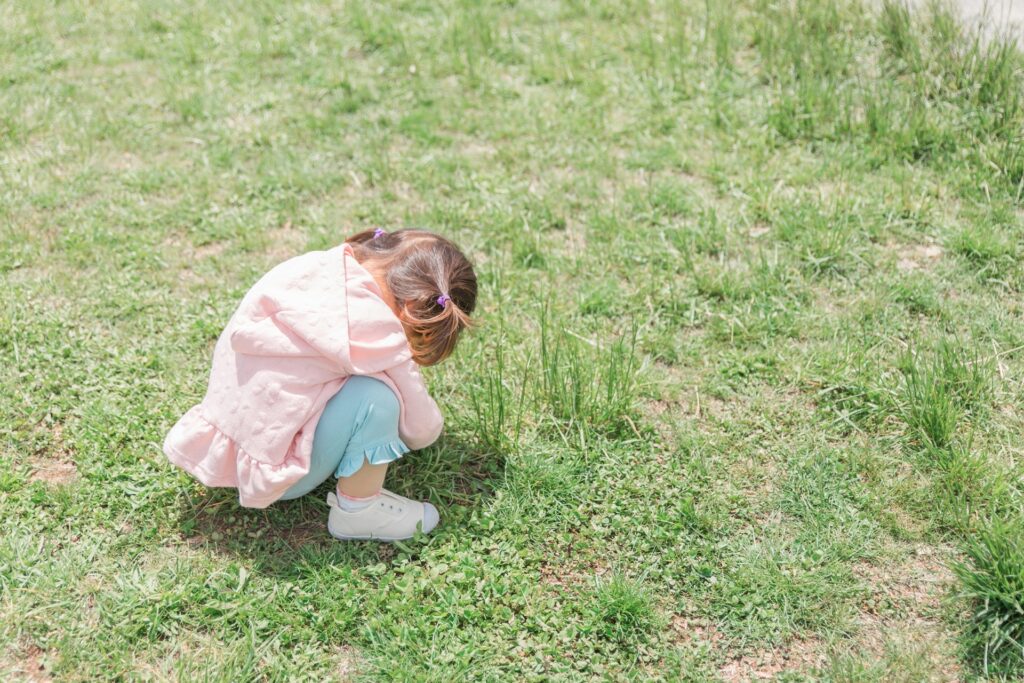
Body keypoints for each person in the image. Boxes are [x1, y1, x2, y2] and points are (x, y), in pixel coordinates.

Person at [163, 228, 476, 541]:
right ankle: (359, 511)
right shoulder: (376, 325)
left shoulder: (314, 267)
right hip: (280, 477)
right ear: (412, 306)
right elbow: (421, 430)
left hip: (228, 449)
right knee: (378, 398)